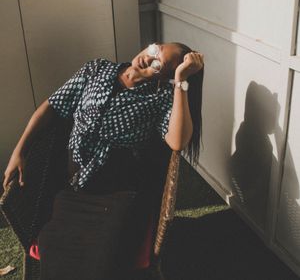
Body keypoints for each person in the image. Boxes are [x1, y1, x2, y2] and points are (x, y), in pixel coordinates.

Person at [3, 42, 204, 280]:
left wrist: (181, 79)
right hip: (73, 189)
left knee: (100, 258)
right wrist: (20, 150)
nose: (149, 60)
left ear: (163, 78)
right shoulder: (96, 69)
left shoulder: (159, 98)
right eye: (155, 50)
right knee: (53, 245)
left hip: (117, 194)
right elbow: (52, 105)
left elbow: (178, 141)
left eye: (158, 65)